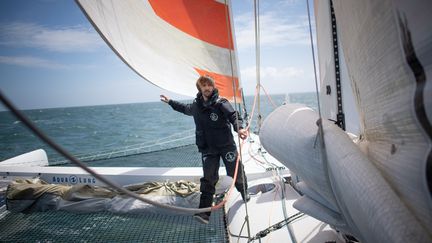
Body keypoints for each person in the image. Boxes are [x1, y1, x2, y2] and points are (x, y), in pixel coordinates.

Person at [160, 75, 250, 224]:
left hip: (226, 146)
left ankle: (244, 192)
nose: (207, 88)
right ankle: (204, 213)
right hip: (208, 148)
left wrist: (239, 129)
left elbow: (233, 116)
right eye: (204, 86)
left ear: (213, 87)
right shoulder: (196, 106)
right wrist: (170, 102)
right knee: (208, 178)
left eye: (209, 85)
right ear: (200, 88)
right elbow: (184, 109)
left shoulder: (221, 103)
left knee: (236, 171)